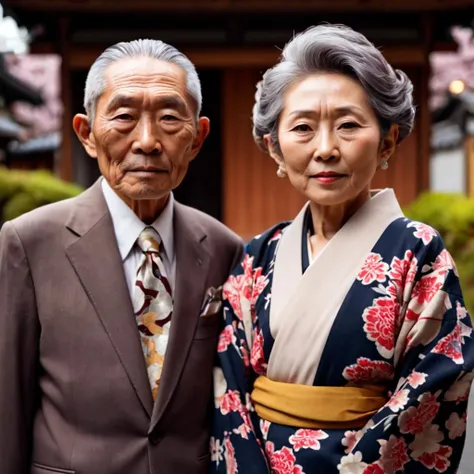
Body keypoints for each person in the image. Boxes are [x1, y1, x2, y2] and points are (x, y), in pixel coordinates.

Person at [211, 24, 474, 474]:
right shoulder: (258, 256)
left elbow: (434, 389)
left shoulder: (419, 254)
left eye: (349, 125)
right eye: (303, 128)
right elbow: (230, 388)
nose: (326, 149)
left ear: (387, 140)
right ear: (274, 148)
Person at [0, 39, 243, 474]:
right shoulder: (28, 242)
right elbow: (8, 407)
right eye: (124, 117)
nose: (147, 141)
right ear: (86, 134)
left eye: (170, 118)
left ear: (198, 137)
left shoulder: (225, 247)